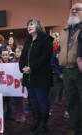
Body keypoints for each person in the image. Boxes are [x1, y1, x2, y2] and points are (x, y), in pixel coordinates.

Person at [19, 19, 53, 134]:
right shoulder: (28, 40)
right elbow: (23, 57)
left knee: (42, 101)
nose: (29, 26)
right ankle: (36, 121)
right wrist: (23, 67)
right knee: (33, 101)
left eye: (31, 24)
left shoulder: (46, 39)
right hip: (29, 77)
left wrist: (31, 67)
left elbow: (45, 57)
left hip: (41, 77)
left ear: (38, 26)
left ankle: (43, 124)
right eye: (28, 25)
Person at [58, 3, 82, 135]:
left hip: (80, 70)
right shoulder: (64, 30)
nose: (74, 11)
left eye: (77, 9)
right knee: (71, 101)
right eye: (72, 9)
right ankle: (74, 128)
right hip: (67, 70)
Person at [11, 46, 25, 122]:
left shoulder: (24, 61)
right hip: (13, 84)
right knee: (15, 101)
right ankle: (17, 113)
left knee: (21, 100)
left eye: (18, 52)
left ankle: (22, 114)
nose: (16, 53)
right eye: (16, 52)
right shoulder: (12, 62)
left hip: (20, 84)